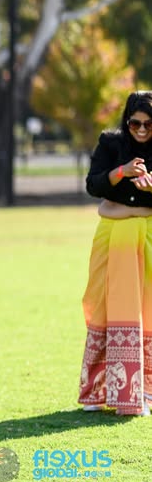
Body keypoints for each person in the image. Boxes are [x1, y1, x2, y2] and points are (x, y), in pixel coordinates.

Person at [78, 90, 152, 417]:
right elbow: (93, 184)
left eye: (149, 125)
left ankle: (144, 392)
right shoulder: (110, 143)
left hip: (146, 237)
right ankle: (96, 391)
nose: (141, 130)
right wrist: (121, 172)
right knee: (102, 308)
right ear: (127, 120)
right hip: (110, 237)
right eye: (135, 123)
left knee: (147, 313)